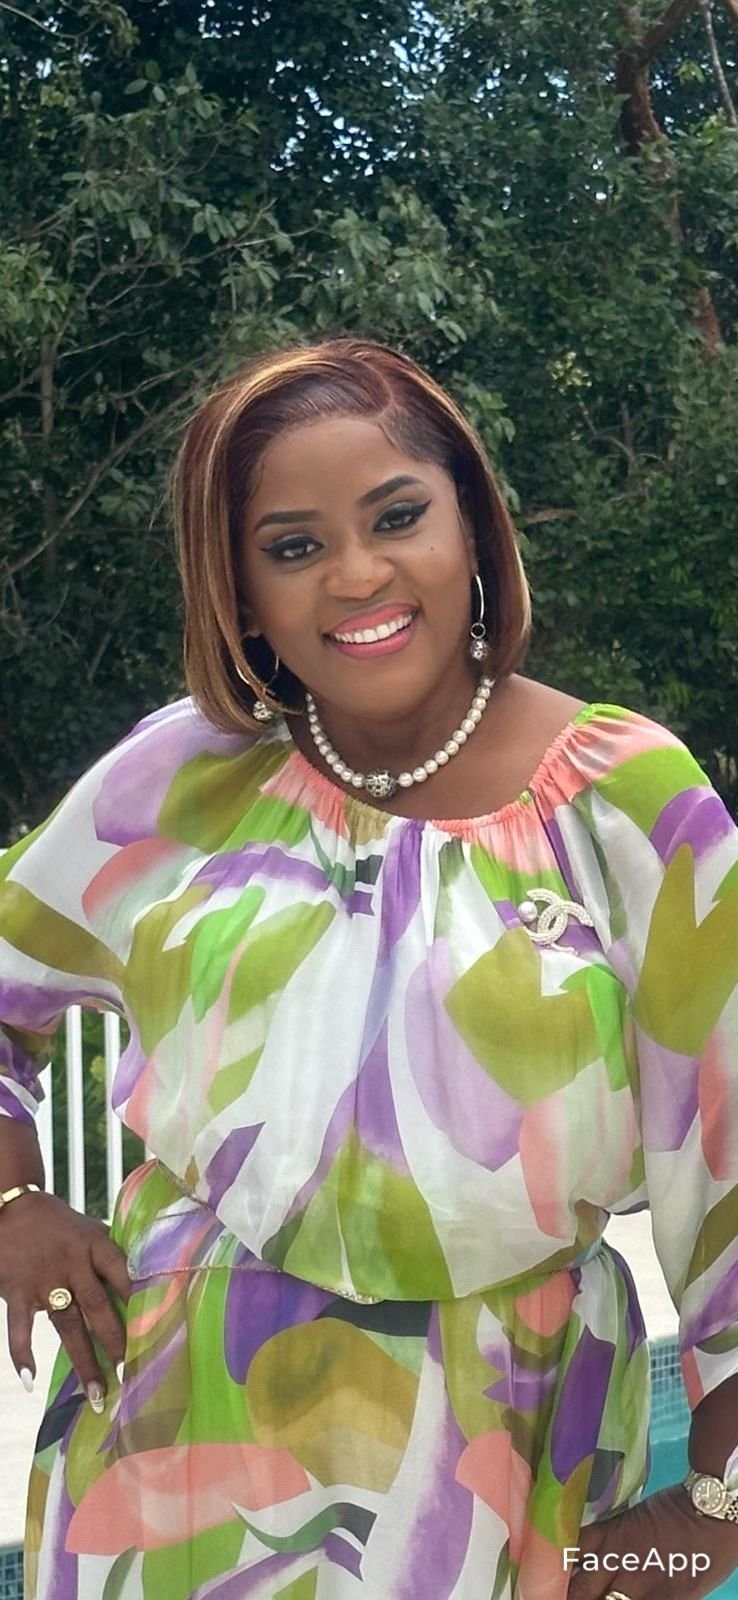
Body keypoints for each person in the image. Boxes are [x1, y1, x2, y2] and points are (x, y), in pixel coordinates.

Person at [0, 337, 737, 1600]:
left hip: (501, 1462)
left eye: (398, 516)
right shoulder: (183, 776)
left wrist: (714, 1513)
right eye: (292, 546)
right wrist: (15, 1203)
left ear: (472, 522)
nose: (357, 574)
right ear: (240, 593)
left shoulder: (634, 807)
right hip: (162, 1464)